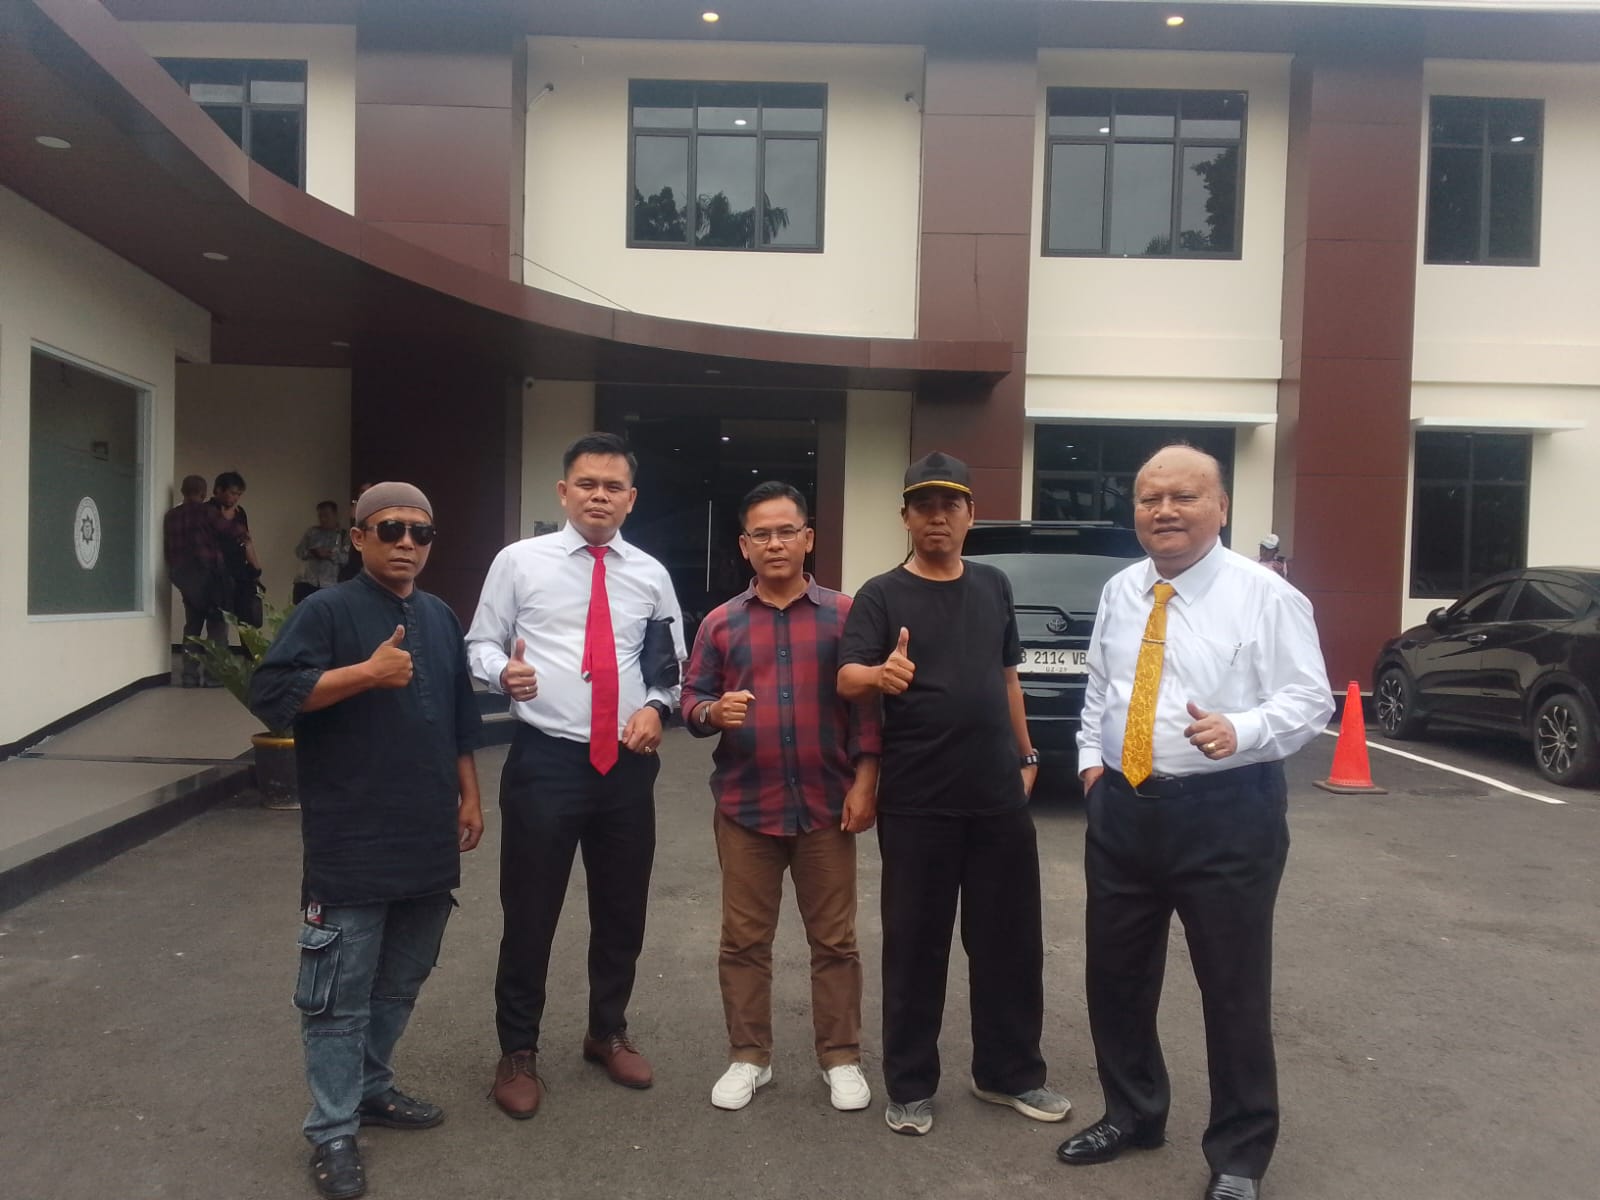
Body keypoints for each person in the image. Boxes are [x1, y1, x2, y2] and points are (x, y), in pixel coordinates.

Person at [1060, 445, 1332, 1200]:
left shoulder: (1265, 595)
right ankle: (1133, 1113)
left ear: (1221, 507)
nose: (1165, 511)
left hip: (1228, 814)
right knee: (1116, 977)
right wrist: (1090, 765)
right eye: (1150, 498)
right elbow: (1102, 687)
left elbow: (1310, 699)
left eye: (1183, 496)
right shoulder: (1121, 589)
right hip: (1124, 808)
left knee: (1233, 987)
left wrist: (1241, 730)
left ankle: (1239, 1154)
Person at [248, 482, 484, 1200]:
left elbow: (459, 717)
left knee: (402, 978)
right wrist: (366, 674)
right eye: (390, 529)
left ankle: (371, 1088)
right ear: (358, 538)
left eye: (421, 531)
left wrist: (471, 795)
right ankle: (332, 1129)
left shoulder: (439, 616)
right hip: (351, 837)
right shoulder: (326, 611)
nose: (406, 542)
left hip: (426, 836)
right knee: (338, 996)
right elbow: (271, 695)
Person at [838, 451, 1069, 1138]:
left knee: (1010, 943)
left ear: (970, 514)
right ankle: (910, 1085)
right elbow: (846, 677)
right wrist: (879, 674)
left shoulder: (994, 584)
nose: (937, 517)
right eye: (924, 506)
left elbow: (1007, 678)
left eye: (950, 505)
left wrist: (1028, 754)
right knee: (916, 947)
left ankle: (1009, 1074)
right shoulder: (881, 594)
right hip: (918, 801)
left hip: (997, 797)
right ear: (906, 517)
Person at [466, 431, 685, 1119]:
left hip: (626, 765)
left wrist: (656, 707)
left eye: (612, 486)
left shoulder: (650, 574)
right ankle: (517, 1049)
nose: (599, 496)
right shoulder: (518, 562)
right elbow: (479, 642)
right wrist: (502, 672)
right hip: (546, 761)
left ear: (631, 499)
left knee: (621, 908)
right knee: (530, 912)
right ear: (564, 492)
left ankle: (606, 1031)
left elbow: (669, 667)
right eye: (587, 484)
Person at [681, 481, 881, 1114]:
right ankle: (749, 1057)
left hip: (827, 806)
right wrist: (713, 712)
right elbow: (691, 700)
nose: (775, 543)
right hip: (747, 806)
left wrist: (866, 782)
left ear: (808, 538)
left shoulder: (845, 615)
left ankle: (841, 1057)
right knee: (743, 941)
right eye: (761, 534)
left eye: (786, 531)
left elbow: (867, 710)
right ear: (744, 546)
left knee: (835, 942)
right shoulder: (721, 623)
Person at [162, 474, 235, 687]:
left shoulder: (170, 516)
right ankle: (214, 677)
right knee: (217, 626)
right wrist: (230, 516)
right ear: (204, 493)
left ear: (182, 492)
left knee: (192, 627)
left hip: (185, 577)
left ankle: (189, 676)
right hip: (210, 576)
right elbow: (232, 532)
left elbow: (168, 548)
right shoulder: (208, 512)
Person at [208, 470, 264, 627]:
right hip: (216, 573)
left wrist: (256, 568)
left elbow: (246, 541)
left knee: (248, 618)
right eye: (232, 493)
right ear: (219, 490)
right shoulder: (207, 511)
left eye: (238, 494)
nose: (235, 498)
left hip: (239, 571)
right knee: (219, 622)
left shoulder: (240, 513)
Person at [294, 501, 349, 605]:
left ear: (335, 515)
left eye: (326, 515)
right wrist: (313, 553)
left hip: (329, 585)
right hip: (307, 582)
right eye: (320, 516)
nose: (323, 519)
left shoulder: (343, 535)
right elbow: (299, 552)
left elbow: (346, 559)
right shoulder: (312, 532)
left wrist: (330, 555)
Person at [339, 483, 375, 584]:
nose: (362, 495)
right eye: (361, 492)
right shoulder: (355, 506)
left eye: (366, 491)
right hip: (354, 557)